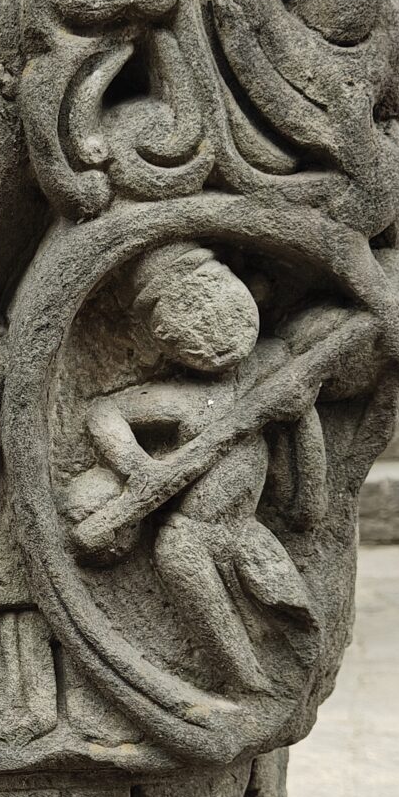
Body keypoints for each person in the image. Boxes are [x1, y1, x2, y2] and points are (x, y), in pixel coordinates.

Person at [65, 240, 330, 696]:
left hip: (245, 530)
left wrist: (302, 426)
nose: (207, 323)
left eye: (212, 296)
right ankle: (247, 685)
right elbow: (104, 412)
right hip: (188, 535)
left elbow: (308, 487)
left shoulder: (273, 366)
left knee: (296, 621)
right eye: (179, 316)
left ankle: (278, 687)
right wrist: (137, 469)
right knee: (219, 624)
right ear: (159, 339)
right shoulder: (185, 400)